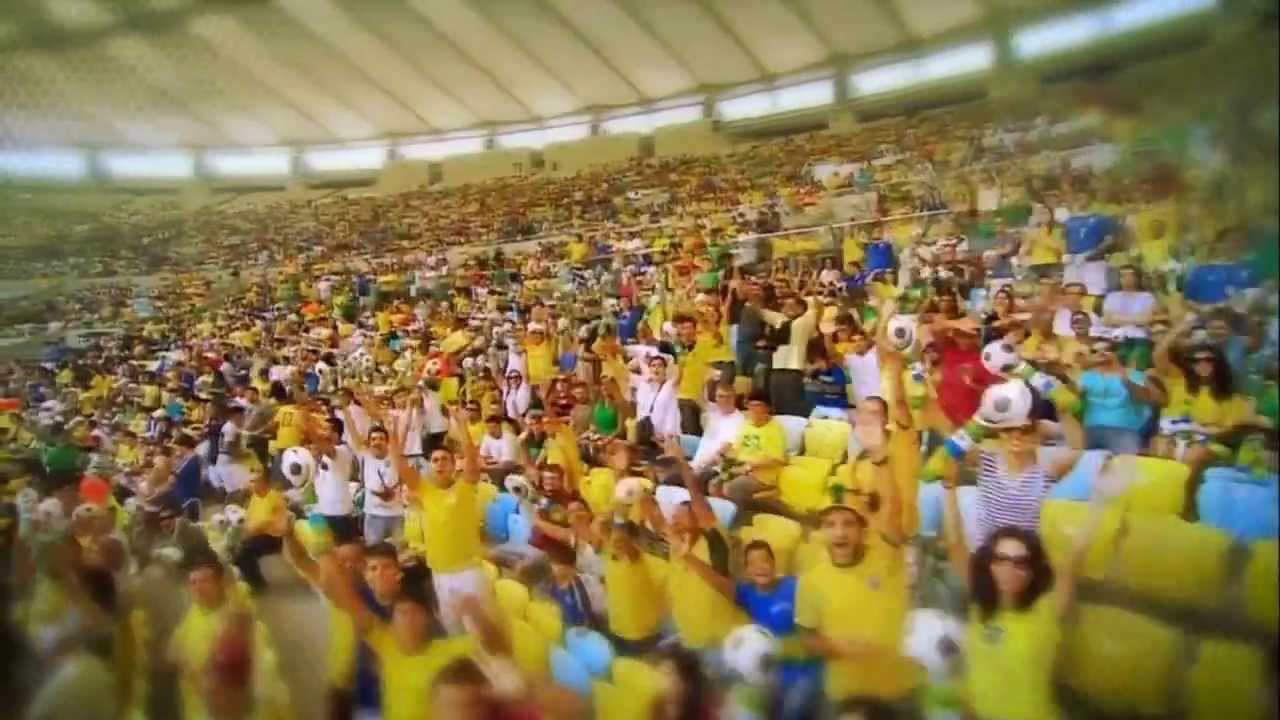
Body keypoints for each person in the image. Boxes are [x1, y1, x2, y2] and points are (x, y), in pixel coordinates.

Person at [939, 459, 1105, 720]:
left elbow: (1075, 557)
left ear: (1032, 570)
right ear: (989, 563)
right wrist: (949, 486)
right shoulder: (981, 604)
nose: (1009, 569)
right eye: (1001, 559)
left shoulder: (1047, 611)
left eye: (1020, 562)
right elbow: (954, 542)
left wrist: (1102, 498)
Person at [795, 494, 919, 716]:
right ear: (822, 532)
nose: (840, 532)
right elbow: (807, 637)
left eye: (848, 523)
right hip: (846, 694)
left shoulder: (890, 558)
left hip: (898, 689)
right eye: (830, 525)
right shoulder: (811, 580)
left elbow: (894, 513)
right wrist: (842, 649)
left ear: (863, 531)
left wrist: (880, 462)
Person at [391, 407, 491, 634]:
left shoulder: (465, 487)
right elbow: (398, 462)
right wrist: (398, 429)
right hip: (440, 573)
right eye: (435, 460)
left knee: (481, 633)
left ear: (455, 464)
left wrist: (461, 423)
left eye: (445, 459)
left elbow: (472, 457)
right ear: (429, 465)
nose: (439, 463)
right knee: (453, 630)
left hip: (469, 572)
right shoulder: (424, 490)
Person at [718, 392, 790, 519]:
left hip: (762, 475)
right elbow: (736, 449)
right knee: (713, 483)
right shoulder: (746, 425)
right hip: (740, 467)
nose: (753, 409)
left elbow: (777, 459)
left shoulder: (775, 429)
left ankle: (741, 520)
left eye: (758, 405)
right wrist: (724, 454)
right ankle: (725, 517)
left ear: (767, 408)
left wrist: (747, 468)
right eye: (750, 405)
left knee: (731, 488)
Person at [344, 399, 404, 545]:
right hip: (373, 515)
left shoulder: (395, 455)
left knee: (399, 555)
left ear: (387, 442)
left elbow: (398, 437)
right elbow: (353, 432)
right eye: (374, 439)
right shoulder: (364, 456)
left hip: (396, 515)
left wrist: (390, 424)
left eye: (381, 438)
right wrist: (345, 410)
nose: (377, 441)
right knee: (373, 553)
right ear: (369, 442)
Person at [233, 469, 289, 592]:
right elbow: (249, 519)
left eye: (254, 481)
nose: (250, 484)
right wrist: (243, 534)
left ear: (265, 483)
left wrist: (247, 536)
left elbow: (265, 523)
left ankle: (258, 585)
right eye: (250, 481)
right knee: (233, 550)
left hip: (274, 537)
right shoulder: (255, 497)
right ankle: (249, 578)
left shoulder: (274, 497)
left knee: (245, 553)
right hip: (257, 535)